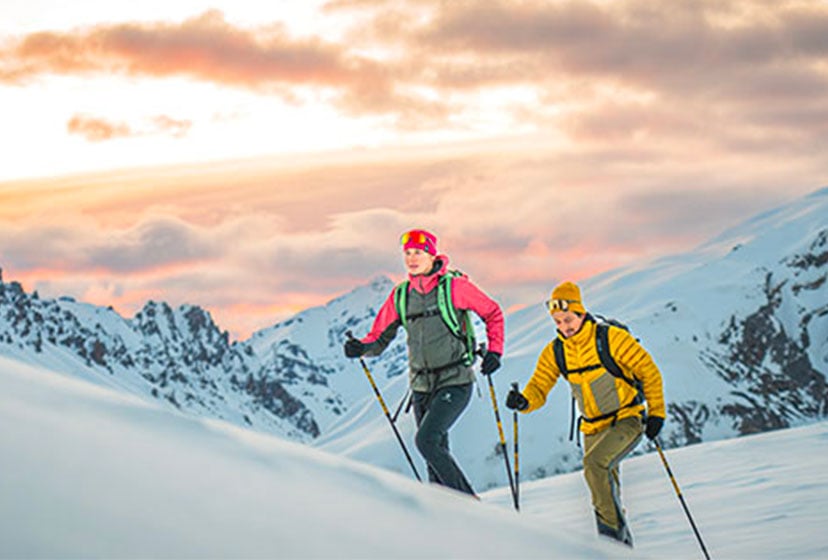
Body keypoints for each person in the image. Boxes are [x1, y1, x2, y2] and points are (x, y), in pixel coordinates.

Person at [344, 228, 504, 497]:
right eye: (407, 253)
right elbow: (379, 338)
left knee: (426, 442)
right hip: (420, 386)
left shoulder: (455, 287)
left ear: (431, 254)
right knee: (435, 460)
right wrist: (361, 347)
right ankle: (448, 520)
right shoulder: (402, 295)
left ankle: (471, 505)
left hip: (455, 380)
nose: (412, 258)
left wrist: (495, 352)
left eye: (418, 252)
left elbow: (492, 312)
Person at [505, 281, 665, 546]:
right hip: (592, 428)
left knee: (594, 466)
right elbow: (539, 385)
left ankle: (609, 540)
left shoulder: (610, 338)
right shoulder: (556, 351)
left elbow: (648, 371)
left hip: (627, 419)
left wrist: (657, 413)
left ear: (581, 313)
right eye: (557, 322)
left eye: (568, 319)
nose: (564, 327)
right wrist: (524, 401)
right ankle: (622, 549)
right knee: (603, 492)